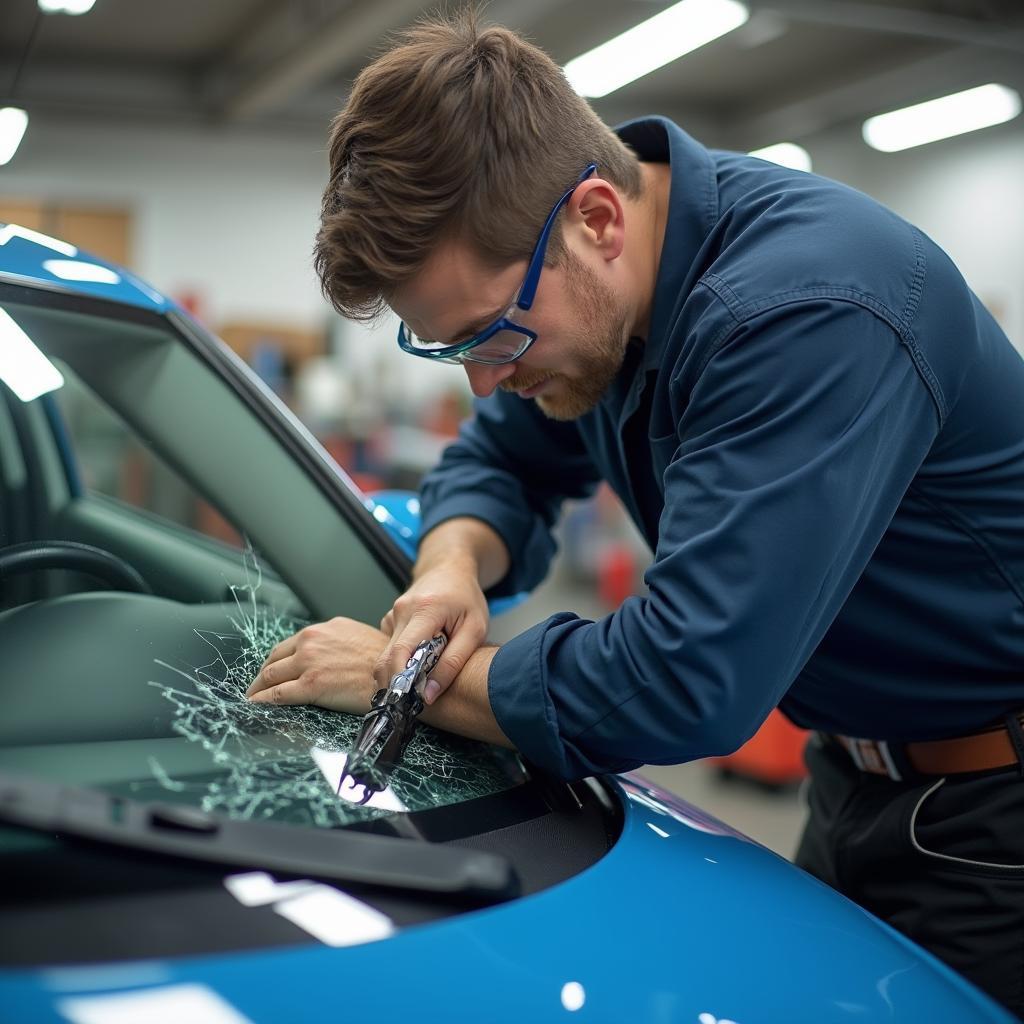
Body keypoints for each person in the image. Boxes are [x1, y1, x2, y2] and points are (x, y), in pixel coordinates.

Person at [245, 12, 1024, 1015]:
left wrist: (409, 678)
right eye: (450, 349)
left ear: (597, 219)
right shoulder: (602, 300)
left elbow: (686, 674)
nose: (484, 381)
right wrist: (449, 567)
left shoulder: (803, 313)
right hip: (858, 773)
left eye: (492, 335)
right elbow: (501, 454)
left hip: (994, 819)